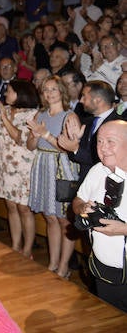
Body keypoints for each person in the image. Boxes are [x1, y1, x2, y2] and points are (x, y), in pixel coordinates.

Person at [26, 76, 79, 279]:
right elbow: (31, 146)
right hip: (42, 165)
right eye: (46, 90)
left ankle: (64, 266)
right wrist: (34, 136)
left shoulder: (70, 117)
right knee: (50, 217)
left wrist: (46, 134)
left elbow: (70, 150)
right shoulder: (40, 114)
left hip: (61, 167)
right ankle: (53, 262)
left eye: (53, 89)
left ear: (62, 91)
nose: (49, 93)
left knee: (64, 219)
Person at [71, 120, 127, 311]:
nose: (103, 148)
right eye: (99, 141)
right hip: (103, 271)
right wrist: (83, 208)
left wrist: (124, 229)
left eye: (110, 141)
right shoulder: (97, 171)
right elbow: (77, 201)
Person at [0, 80, 40, 258]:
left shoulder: (33, 114)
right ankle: (16, 244)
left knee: (24, 209)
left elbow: (20, 138)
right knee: (10, 207)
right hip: (5, 165)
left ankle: (28, 248)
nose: (5, 94)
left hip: (23, 168)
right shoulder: (6, 111)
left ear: (20, 94)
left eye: (9, 91)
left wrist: (5, 118)